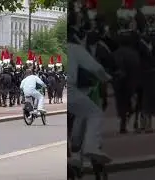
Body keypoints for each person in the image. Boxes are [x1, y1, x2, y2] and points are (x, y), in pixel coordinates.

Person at [68, 0, 112, 167]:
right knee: (93, 112)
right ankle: (88, 148)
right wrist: (107, 78)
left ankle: (76, 154)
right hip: (77, 84)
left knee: (82, 111)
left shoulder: (84, 24)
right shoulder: (77, 44)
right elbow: (96, 68)